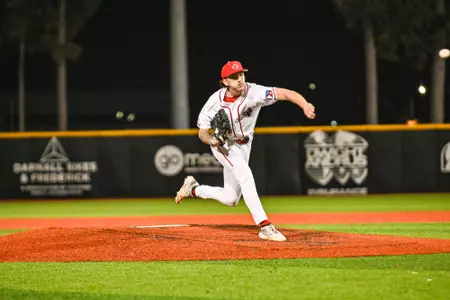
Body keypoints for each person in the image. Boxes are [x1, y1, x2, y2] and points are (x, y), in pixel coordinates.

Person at [175, 61, 316, 242]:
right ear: (225, 81)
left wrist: (304, 104)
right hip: (224, 145)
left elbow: (284, 93)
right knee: (246, 177)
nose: (240, 79)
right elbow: (202, 131)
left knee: (231, 198)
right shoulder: (214, 101)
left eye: (241, 74)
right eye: (234, 77)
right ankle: (265, 226)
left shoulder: (254, 92)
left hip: (244, 145)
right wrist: (211, 140)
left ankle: (193, 189)